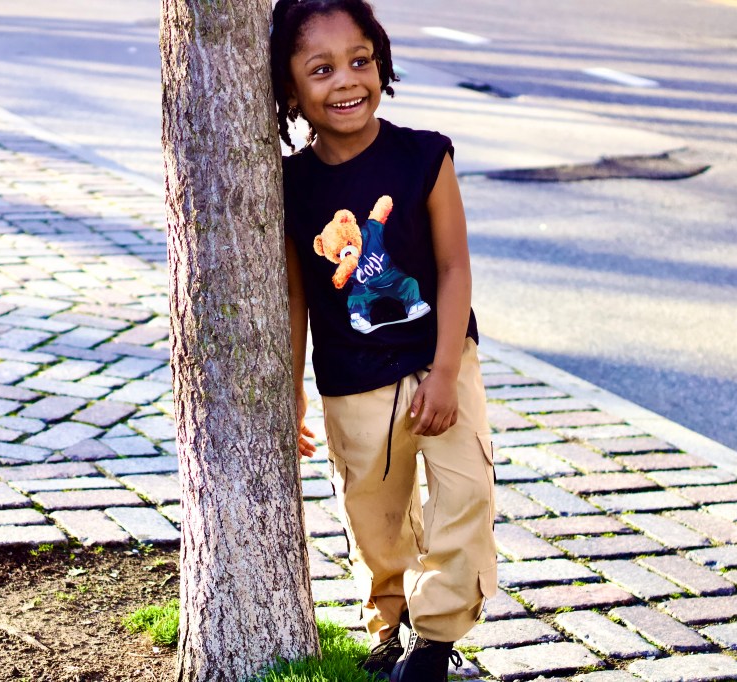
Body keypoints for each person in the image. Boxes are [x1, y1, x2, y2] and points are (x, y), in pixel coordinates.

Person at [270, 0, 498, 679]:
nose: (346, 80)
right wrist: (294, 392)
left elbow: (454, 267)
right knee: (374, 514)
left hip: (440, 358)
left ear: (382, 65)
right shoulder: (290, 186)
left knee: (465, 495)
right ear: (290, 91)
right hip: (353, 376)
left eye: (360, 61)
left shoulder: (425, 156)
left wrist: (446, 370)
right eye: (321, 69)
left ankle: (434, 642)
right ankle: (388, 626)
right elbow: (295, 297)